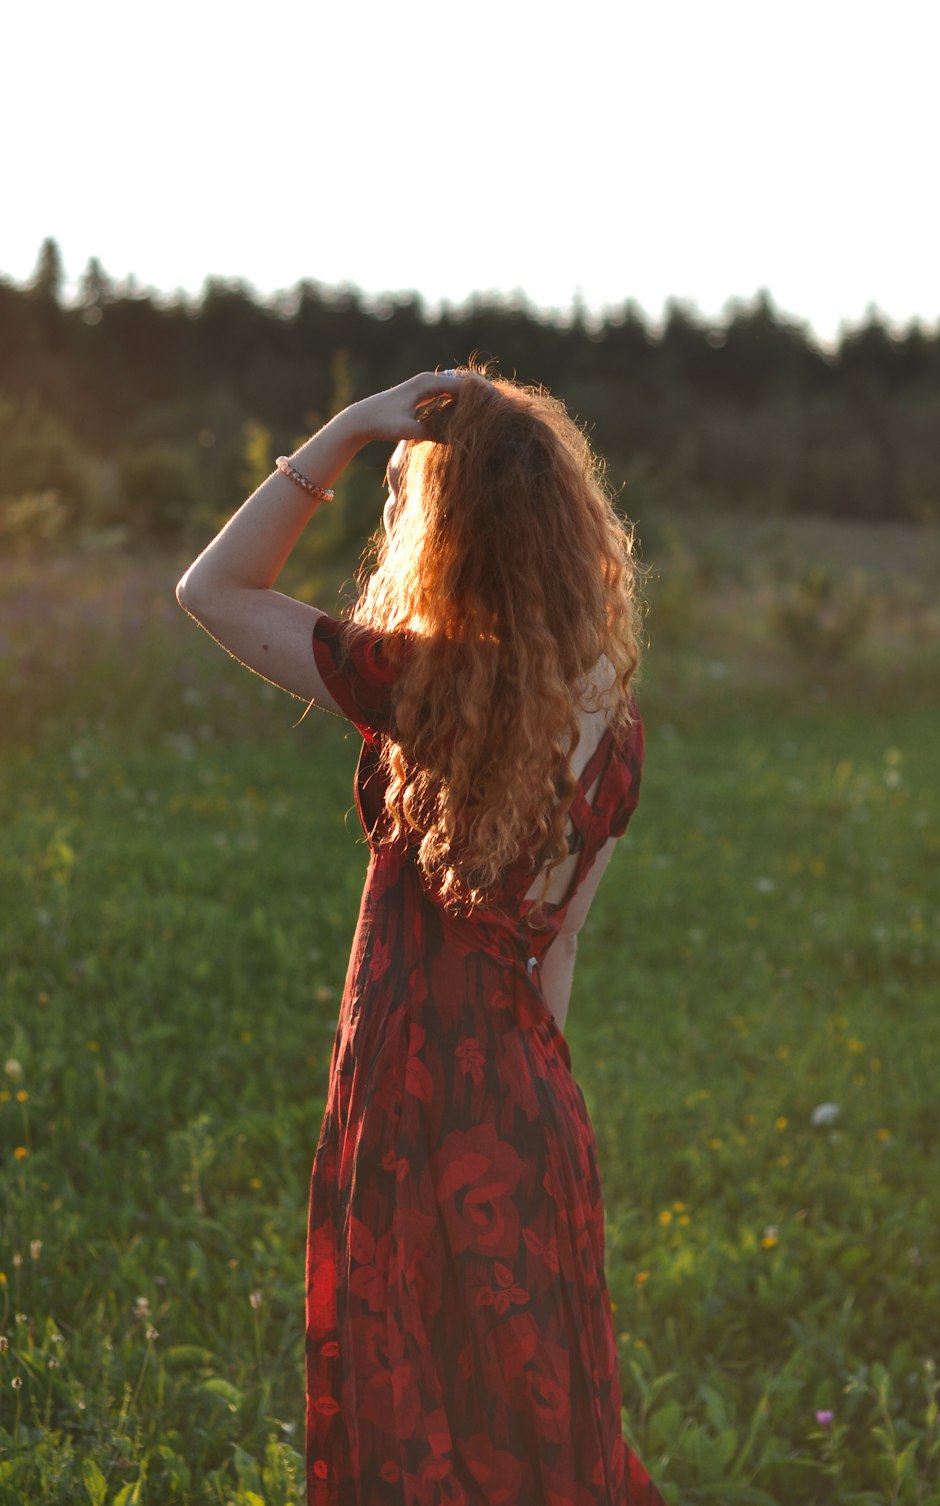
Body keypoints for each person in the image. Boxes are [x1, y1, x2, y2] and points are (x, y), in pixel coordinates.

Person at [176, 364, 662, 1505]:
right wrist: (526, 1107)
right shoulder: (618, 730)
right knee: (537, 1429)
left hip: (415, 1096)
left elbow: (213, 590)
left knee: (419, 1435)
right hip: (534, 1112)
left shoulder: (431, 687)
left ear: (450, 533)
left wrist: (343, 434)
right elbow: (561, 948)